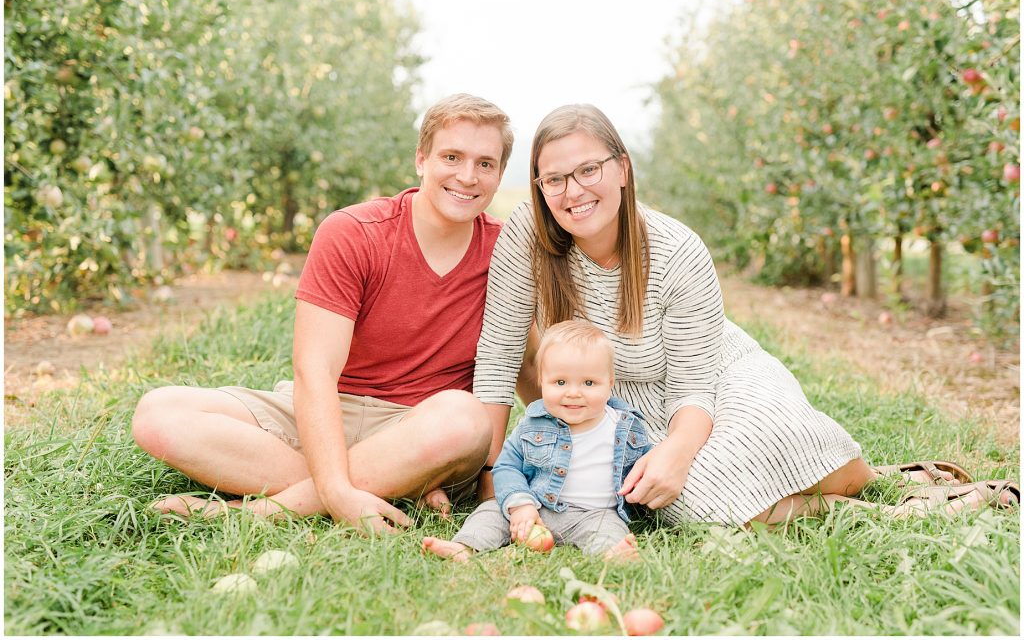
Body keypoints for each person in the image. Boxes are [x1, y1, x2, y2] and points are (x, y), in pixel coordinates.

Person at [471, 103, 1018, 527]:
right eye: (555, 179)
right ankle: (875, 512)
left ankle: (880, 480)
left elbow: (693, 387)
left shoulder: (676, 251)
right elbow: (498, 357)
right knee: (708, 506)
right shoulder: (529, 236)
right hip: (625, 407)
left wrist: (677, 455)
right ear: (540, 187)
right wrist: (492, 478)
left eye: (588, 169)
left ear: (621, 168)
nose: (573, 191)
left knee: (814, 461)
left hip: (714, 379)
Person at [132, 93, 525, 533]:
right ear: (421, 159)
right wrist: (336, 489)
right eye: (451, 156)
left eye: (485, 164)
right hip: (325, 411)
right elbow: (314, 371)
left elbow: (523, 363)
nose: (467, 176)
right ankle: (389, 485)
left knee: (464, 418)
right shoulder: (353, 233)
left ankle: (260, 511)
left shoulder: (508, 252)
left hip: (423, 427)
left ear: (500, 174)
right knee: (158, 413)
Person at [423, 321, 650, 561]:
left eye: (589, 383)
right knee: (490, 512)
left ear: (610, 382)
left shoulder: (624, 427)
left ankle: (613, 554)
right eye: (560, 382)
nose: (574, 392)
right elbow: (507, 466)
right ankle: (463, 546)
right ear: (542, 380)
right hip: (536, 507)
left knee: (609, 528)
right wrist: (520, 504)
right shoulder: (532, 425)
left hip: (593, 514)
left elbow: (647, 463)